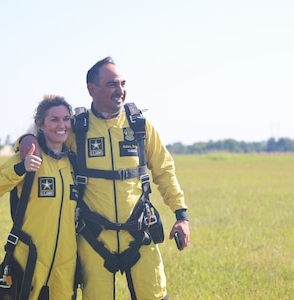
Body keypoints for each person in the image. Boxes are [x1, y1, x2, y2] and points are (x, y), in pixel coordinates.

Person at [19, 57, 190, 300]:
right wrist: (27, 140)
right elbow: (46, 139)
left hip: (139, 233)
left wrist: (181, 215)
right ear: (92, 89)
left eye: (122, 83)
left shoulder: (139, 126)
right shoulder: (78, 128)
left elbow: (164, 170)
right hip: (94, 237)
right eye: (112, 84)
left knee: (155, 295)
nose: (120, 90)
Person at [0, 95, 78, 299]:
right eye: (54, 119)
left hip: (66, 263)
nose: (62, 125)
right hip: (30, 257)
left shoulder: (74, 163)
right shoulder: (29, 156)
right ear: (40, 124)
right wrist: (20, 168)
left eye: (66, 119)